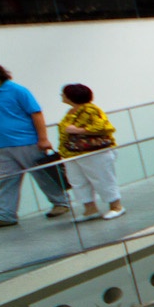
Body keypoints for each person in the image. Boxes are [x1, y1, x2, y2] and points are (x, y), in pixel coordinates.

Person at [0, 61, 69, 228]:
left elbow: (36, 113)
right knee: (6, 180)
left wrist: (43, 138)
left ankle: (61, 203)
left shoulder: (17, 90)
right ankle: (4, 215)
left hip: (25, 142)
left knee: (42, 174)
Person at [56, 84, 122, 220]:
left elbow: (103, 127)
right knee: (77, 181)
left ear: (71, 96)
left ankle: (116, 206)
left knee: (102, 178)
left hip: (94, 152)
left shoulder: (91, 110)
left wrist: (78, 130)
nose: (61, 96)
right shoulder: (71, 112)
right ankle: (89, 208)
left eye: (63, 94)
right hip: (72, 153)